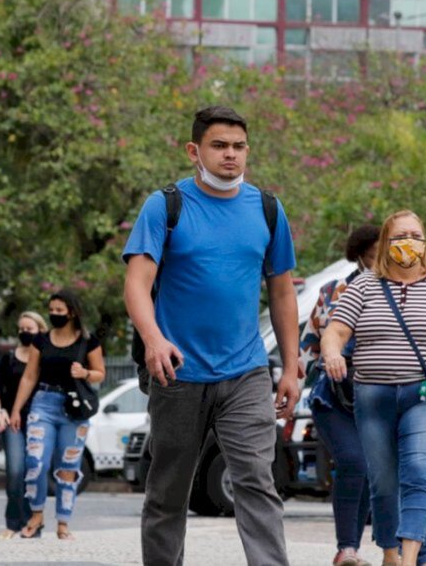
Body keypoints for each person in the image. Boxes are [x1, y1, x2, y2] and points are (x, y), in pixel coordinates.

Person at [124, 105, 300, 566]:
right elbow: (137, 283)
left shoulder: (266, 209)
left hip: (245, 371)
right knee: (168, 491)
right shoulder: (166, 205)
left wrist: (292, 366)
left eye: (239, 147)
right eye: (219, 146)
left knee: (257, 483)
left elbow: (282, 293)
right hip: (177, 372)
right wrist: (153, 339)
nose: (231, 156)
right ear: (194, 151)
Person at [321, 210, 426, 566]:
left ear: (425, 242)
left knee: (420, 474)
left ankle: (409, 559)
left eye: (416, 235)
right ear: (385, 244)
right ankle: (390, 554)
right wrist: (332, 354)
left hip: (423, 396)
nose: (409, 242)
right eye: (400, 236)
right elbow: (336, 331)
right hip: (373, 398)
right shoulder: (363, 286)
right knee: (384, 482)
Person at [299, 225, 379, 566]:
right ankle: (346, 548)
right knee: (353, 461)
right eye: (375, 255)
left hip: (379, 395)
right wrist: (293, 378)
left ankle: (353, 546)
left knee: (368, 468)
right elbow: (309, 343)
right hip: (335, 397)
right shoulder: (333, 290)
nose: (382, 262)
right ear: (360, 255)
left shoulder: (407, 290)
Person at [9, 290, 105, 540]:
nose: (54, 314)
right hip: (44, 404)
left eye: (59, 311)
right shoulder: (40, 340)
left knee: (68, 468)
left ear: (72, 312)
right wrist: (17, 409)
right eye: (51, 310)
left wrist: (84, 373)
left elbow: (100, 374)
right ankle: (36, 514)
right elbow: (30, 376)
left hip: (75, 409)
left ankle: (63, 522)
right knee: (35, 462)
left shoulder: (88, 340)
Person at [0, 311, 45, 538]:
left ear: (40, 331)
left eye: (30, 329)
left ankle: (33, 523)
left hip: (39, 420)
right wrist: (2, 412)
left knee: (33, 470)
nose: (24, 333)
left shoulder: (45, 358)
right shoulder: (9, 358)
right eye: (21, 329)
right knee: (15, 470)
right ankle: (13, 522)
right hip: (13, 421)